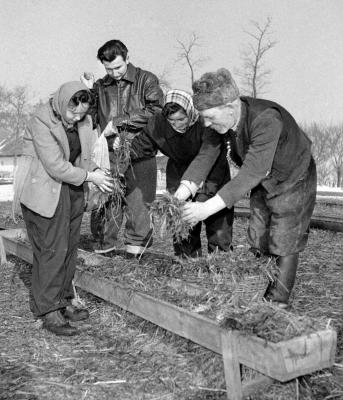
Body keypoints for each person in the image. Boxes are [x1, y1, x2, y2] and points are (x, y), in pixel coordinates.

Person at [177, 68, 317, 308]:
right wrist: (179, 196)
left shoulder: (265, 119)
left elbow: (253, 171)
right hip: (263, 178)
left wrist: (205, 209)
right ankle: (256, 286)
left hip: (293, 177)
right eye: (204, 118)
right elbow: (205, 156)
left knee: (283, 237)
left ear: (230, 107)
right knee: (258, 233)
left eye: (210, 117)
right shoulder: (219, 123)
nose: (206, 123)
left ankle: (277, 302)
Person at [13, 81, 114, 336]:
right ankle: (48, 310)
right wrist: (91, 178)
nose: (77, 117)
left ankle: (64, 299)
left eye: (82, 113)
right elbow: (55, 165)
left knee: (68, 247)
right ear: (61, 104)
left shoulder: (83, 120)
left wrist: (94, 173)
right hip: (44, 190)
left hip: (71, 188)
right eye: (73, 112)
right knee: (51, 250)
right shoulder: (41, 120)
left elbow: (86, 155)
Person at [81, 39, 164, 257]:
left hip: (141, 153)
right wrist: (89, 92)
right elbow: (90, 117)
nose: (115, 73)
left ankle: (136, 253)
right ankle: (103, 247)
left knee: (139, 205)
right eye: (109, 69)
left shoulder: (146, 80)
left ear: (128, 58)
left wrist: (119, 122)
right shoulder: (102, 86)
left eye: (118, 67)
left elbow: (156, 110)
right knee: (106, 203)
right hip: (110, 155)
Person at [127, 89, 233, 257]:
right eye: (172, 121)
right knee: (183, 226)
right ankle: (187, 262)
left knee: (218, 227)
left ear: (191, 113)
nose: (177, 125)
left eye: (181, 119)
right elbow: (140, 148)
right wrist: (122, 149)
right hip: (178, 173)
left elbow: (207, 156)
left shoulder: (205, 122)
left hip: (213, 174)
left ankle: (220, 264)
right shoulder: (158, 124)